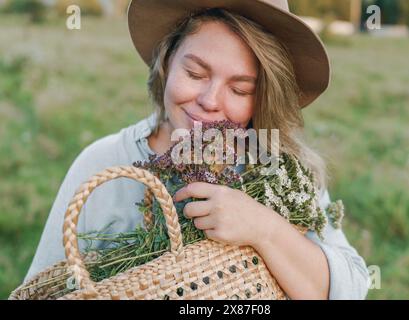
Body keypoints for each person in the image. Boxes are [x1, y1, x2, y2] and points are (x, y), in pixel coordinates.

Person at [24, 0, 369, 299]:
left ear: (263, 98)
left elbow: (350, 288)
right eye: (195, 73)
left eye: (240, 89)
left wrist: (263, 229)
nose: (209, 101)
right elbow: (42, 290)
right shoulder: (103, 163)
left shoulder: (278, 169)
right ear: (167, 62)